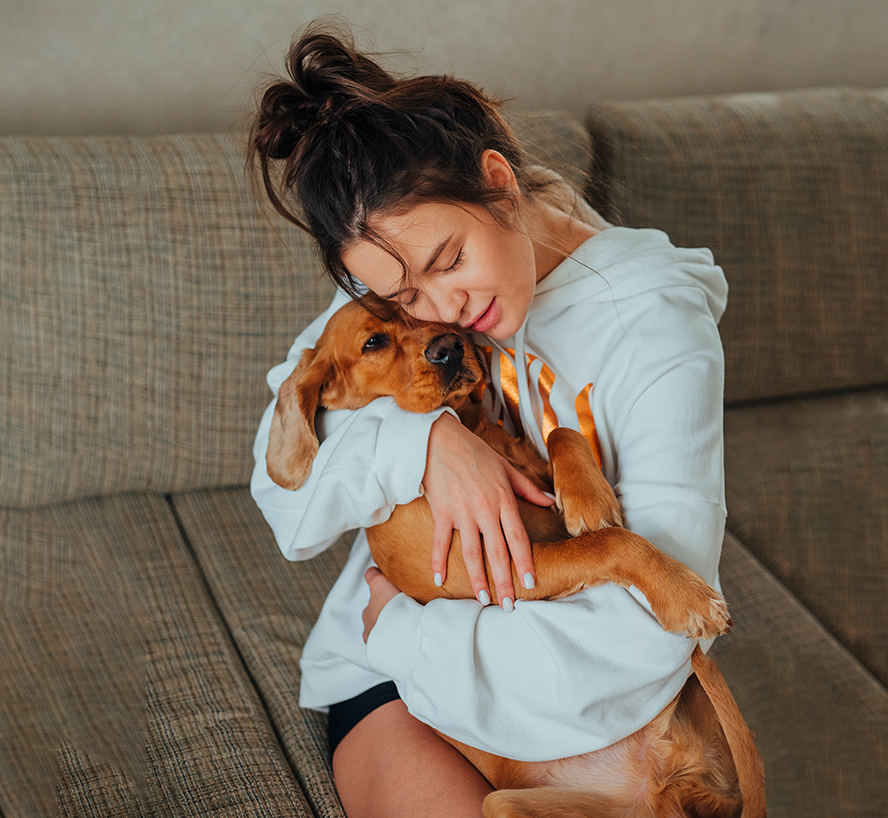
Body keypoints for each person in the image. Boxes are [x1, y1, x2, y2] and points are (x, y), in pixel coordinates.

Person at [248, 22, 728, 818]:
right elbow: (286, 501)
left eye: (450, 263)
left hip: (482, 663)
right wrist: (424, 441)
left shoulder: (653, 325)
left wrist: (402, 631)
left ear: (499, 183)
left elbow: (652, 633)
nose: (443, 316)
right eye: (406, 300)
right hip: (390, 687)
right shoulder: (399, 284)